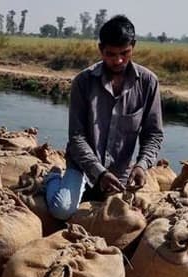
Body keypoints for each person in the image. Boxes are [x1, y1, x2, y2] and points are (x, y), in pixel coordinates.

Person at [45, 15, 164, 220]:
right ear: (101, 50)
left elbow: (153, 134)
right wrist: (99, 173)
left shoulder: (148, 82)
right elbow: (77, 137)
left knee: (132, 219)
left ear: (133, 47)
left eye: (124, 53)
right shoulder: (83, 82)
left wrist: (142, 165)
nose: (118, 60)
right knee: (62, 209)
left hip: (120, 170)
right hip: (83, 165)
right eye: (110, 54)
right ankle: (52, 178)